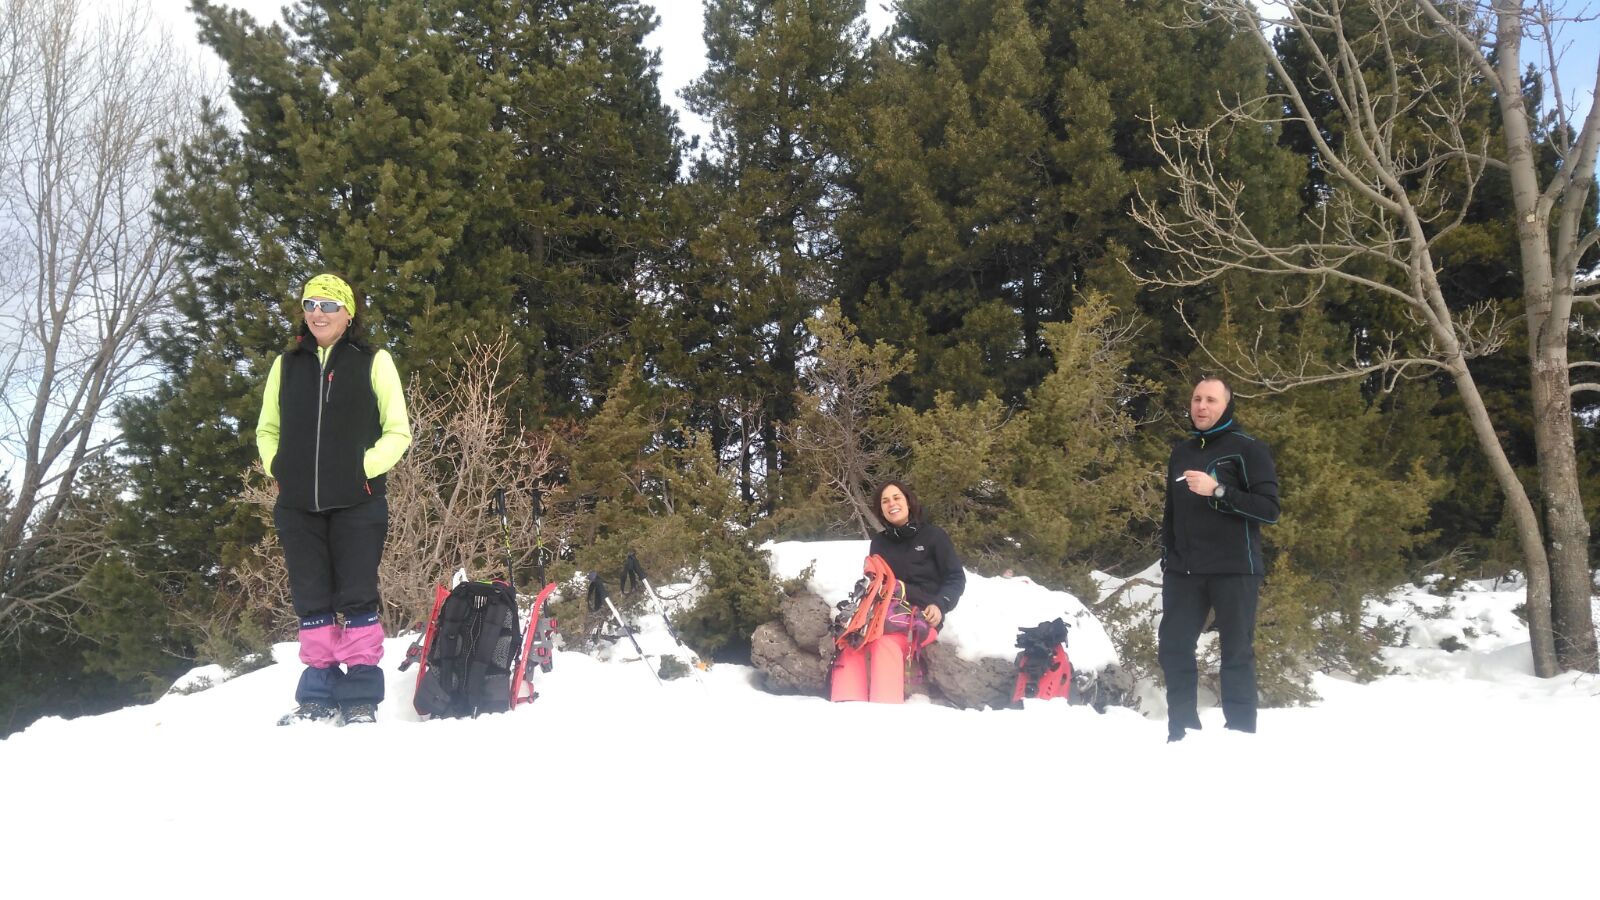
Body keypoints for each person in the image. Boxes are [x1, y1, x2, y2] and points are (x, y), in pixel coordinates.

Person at [258, 273, 411, 726]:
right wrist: (279, 468)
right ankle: (318, 693)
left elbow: (398, 431)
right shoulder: (286, 365)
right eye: (310, 304)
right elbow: (267, 429)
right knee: (311, 599)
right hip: (297, 505)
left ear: (348, 313)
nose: (317, 313)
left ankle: (360, 694)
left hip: (358, 501)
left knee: (358, 596)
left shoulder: (374, 360)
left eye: (328, 304)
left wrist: (361, 469)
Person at [1159, 376, 1279, 741]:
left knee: (1236, 652)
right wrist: (1168, 558)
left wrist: (1219, 491)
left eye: (1211, 400)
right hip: (1185, 570)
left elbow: (1269, 510)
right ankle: (1182, 731)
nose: (1201, 406)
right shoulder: (1181, 451)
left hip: (1234, 569)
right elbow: (1171, 513)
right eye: (1197, 399)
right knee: (1174, 648)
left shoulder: (1249, 449)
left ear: (1227, 406)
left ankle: (1239, 734)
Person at [830, 480, 966, 703]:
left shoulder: (934, 536)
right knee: (852, 641)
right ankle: (847, 706)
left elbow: (955, 577)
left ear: (908, 502)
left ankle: (886, 711)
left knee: (885, 643)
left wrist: (940, 604)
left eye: (896, 498)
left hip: (921, 615)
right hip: (883, 615)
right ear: (881, 509)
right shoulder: (879, 543)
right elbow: (875, 583)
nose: (891, 504)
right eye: (885, 501)